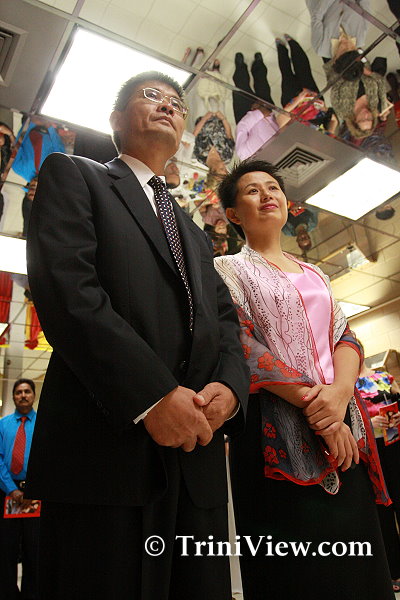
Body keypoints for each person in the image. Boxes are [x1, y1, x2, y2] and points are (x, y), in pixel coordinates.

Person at [26, 71, 249, 600]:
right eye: (151, 97)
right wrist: (153, 396)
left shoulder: (194, 234)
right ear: (116, 119)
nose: (168, 106)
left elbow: (225, 324)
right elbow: (69, 293)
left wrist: (230, 388)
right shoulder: (74, 175)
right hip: (106, 453)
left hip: (195, 464)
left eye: (177, 103)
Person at [214, 159, 394, 600]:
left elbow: (345, 336)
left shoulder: (317, 273)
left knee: (357, 557)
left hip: (343, 423)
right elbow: (241, 343)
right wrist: (321, 408)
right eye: (252, 190)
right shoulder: (226, 269)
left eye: (273, 187)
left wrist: (339, 396)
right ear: (233, 214)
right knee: (297, 565)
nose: (267, 195)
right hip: (273, 426)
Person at [356, 348, 400, 593]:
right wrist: (369, 423)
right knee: (383, 509)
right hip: (371, 452)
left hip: (394, 445)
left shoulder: (383, 377)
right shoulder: (346, 385)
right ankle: (394, 571)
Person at [0, 378, 39, 600]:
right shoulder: (2, 425)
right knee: (7, 549)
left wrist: (33, 489)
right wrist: (11, 489)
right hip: (8, 494)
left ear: (33, 395)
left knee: (33, 550)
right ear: (14, 396)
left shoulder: (43, 425)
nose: (23, 395)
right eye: (18, 392)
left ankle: (31, 595)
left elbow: (46, 460)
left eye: (27, 391)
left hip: (36, 496)